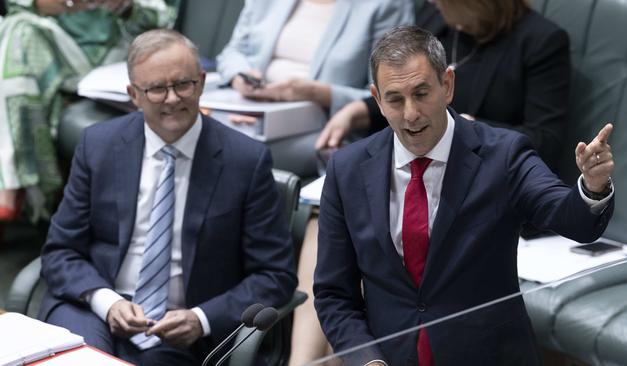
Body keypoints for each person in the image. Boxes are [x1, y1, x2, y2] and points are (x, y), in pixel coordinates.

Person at [313, 26, 614, 366]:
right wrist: (366, 360)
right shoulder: (347, 170)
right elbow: (334, 295)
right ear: (377, 99)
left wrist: (592, 185)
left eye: (421, 93)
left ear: (447, 85)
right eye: (395, 99)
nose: (411, 113)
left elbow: (573, 219)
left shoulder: (504, 154)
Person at [38, 29, 297, 365]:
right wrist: (106, 301)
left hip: (179, 331)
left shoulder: (246, 161)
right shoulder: (98, 146)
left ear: (201, 82)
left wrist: (201, 319)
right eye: (157, 88)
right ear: (134, 94)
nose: (173, 98)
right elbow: (61, 250)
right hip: (94, 307)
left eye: (183, 84)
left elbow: (275, 275)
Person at [316, 0, 569, 172]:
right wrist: (356, 111)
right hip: (420, 166)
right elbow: (407, 89)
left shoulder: (542, 42)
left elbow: (547, 142)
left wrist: (472, 128)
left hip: (483, 177)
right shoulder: (437, 20)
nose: (431, 1)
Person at [0, 0, 179, 227]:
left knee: (16, 35)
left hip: (108, 57)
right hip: (52, 49)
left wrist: (126, 7)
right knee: (17, 26)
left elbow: (165, 22)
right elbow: (15, 5)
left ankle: (13, 178)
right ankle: (18, 179)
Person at [215, 0, 413, 177]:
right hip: (251, 109)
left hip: (323, 125)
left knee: (235, 151)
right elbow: (233, 51)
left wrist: (318, 93)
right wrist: (240, 76)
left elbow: (390, 94)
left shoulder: (386, 5)